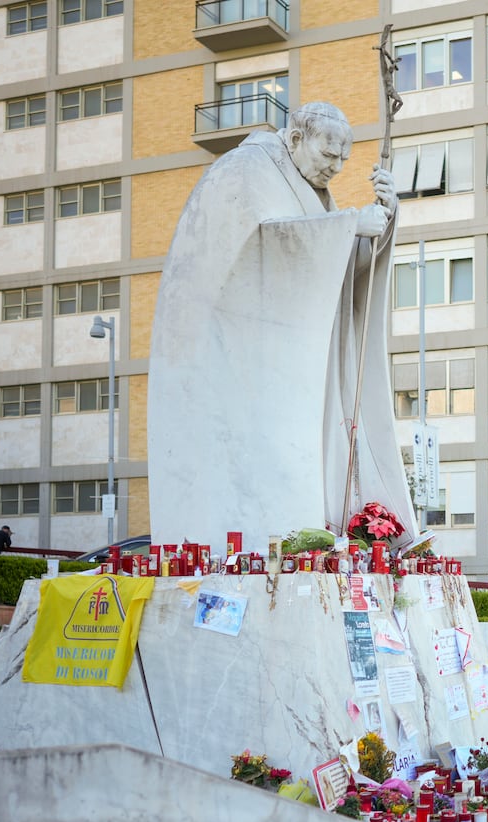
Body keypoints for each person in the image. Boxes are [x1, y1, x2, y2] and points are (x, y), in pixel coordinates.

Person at [146, 101, 420, 555]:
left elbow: (341, 279)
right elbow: (255, 247)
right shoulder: (243, 170)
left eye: (343, 160)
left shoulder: (310, 190)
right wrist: (350, 224)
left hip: (288, 368)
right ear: (295, 140)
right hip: (238, 367)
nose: (335, 168)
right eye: (328, 155)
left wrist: (381, 224)